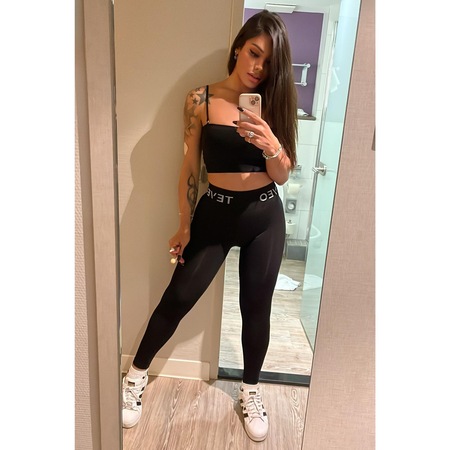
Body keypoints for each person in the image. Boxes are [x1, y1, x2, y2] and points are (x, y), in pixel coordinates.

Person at [122, 10, 298, 442]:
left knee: (256, 308)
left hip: (264, 217)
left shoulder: (274, 102)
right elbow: (189, 167)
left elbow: (282, 175)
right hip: (214, 213)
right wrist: (184, 225)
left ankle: (250, 390)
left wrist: (271, 145)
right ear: (238, 47)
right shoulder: (199, 99)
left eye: (268, 62)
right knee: (178, 296)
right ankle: (135, 376)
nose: (258, 67)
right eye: (254, 53)